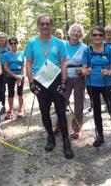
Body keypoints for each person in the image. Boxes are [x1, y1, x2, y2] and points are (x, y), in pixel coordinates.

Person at [25, 13, 74, 159]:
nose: (45, 26)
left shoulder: (59, 42)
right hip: (40, 81)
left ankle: (66, 142)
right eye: (42, 24)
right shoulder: (32, 43)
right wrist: (31, 83)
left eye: (47, 23)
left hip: (56, 79)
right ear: (38, 25)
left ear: (51, 25)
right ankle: (50, 137)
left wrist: (64, 82)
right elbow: (28, 63)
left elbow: (64, 62)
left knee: (61, 112)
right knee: (44, 112)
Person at [81, 26, 111, 151]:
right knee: (96, 110)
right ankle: (100, 136)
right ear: (91, 37)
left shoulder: (109, 49)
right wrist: (85, 71)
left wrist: (108, 72)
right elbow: (84, 68)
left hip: (107, 83)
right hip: (92, 84)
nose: (97, 37)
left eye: (100, 35)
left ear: (104, 36)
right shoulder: (87, 50)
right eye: (95, 35)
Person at [63, 23, 87, 139]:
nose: (76, 33)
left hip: (79, 77)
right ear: (70, 32)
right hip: (64, 77)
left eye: (78, 31)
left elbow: (87, 64)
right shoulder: (63, 45)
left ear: (81, 34)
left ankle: (77, 128)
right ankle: (60, 125)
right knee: (61, 102)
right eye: (74, 31)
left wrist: (83, 69)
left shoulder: (84, 47)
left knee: (79, 104)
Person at [3, 37, 25, 119]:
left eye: (15, 43)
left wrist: (21, 76)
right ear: (9, 44)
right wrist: (15, 76)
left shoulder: (22, 54)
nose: (13, 45)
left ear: (17, 43)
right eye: (11, 43)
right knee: (11, 93)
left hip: (20, 74)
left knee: (20, 92)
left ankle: (21, 109)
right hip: (10, 75)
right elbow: (5, 67)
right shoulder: (6, 55)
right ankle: (11, 110)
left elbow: (24, 65)